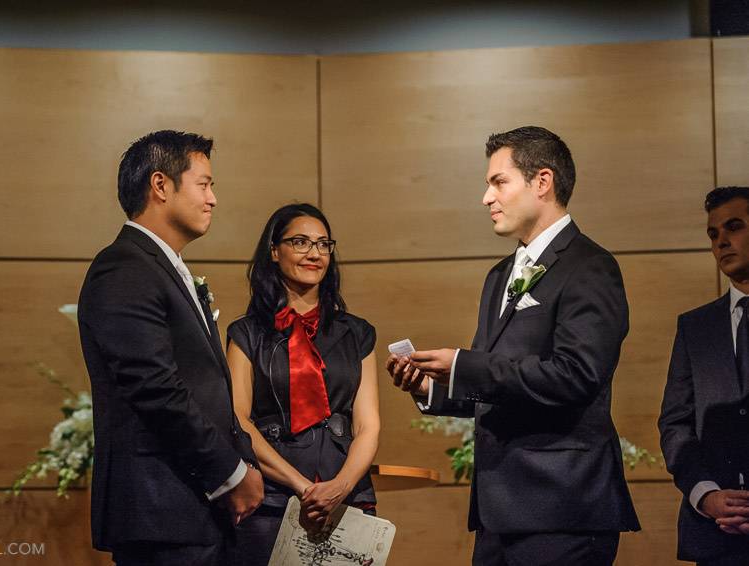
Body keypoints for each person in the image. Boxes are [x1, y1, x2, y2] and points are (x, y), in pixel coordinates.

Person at [387, 126, 640, 565]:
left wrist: (464, 364)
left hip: (563, 507)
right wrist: (429, 386)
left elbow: (576, 375)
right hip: (499, 510)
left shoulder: (590, 267)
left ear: (542, 181)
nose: (486, 197)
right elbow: (494, 385)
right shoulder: (498, 276)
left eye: (498, 182)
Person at [78, 130, 263, 566]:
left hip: (189, 508)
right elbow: (156, 388)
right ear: (161, 185)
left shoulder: (158, 267)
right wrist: (231, 473)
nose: (213, 198)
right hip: (160, 507)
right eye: (204, 184)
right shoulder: (123, 268)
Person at [226, 203, 380, 566]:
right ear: (274, 251)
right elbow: (238, 419)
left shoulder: (358, 333)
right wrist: (303, 489)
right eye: (300, 242)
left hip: (347, 497)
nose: (314, 253)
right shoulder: (246, 333)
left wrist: (338, 489)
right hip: (273, 498)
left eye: (323, 244)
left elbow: (368, 425)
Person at [659, 186, 749, 565]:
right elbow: (675, 425)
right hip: (716, 537)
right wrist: (706, 495)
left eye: (734, 227)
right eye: (713, 234)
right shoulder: (695, 326)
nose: (721, 241)